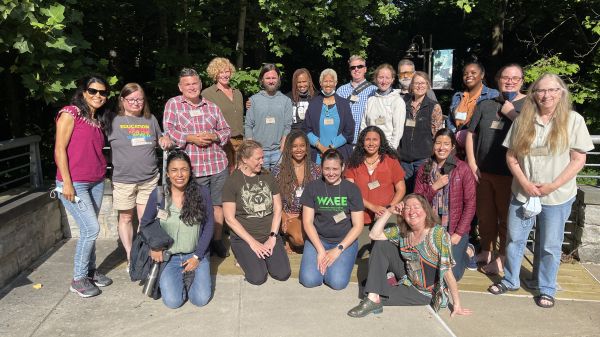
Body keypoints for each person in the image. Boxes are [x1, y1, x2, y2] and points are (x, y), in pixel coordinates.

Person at [488, 73, 593, 309]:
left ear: (561, 93)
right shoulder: (523, 120)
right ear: (534, 94)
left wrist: (552, 185)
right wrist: (525, 183)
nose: (545, 95)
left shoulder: (573, 120)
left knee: (549, 245)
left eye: (551, 90)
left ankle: (546, 287)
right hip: (523, 192)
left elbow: (578, 159)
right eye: (540, 91)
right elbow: (511, 156)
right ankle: (510, 279)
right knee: (515, 239)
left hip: (556, 195)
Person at [347, 194, 472, 317]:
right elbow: (374, 235)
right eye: (407, 208)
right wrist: (389, 212)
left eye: (416, 207)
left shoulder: (438, 234)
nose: (412, 211)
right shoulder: (403, 230)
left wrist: (457, 304)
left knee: (370, 290)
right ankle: (373, 298)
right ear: (402, 213)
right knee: (381, 245)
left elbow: (447, 271)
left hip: (423, 291)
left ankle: (375, 294)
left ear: (426, 211)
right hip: (408, 274)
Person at [163, 68, 231, 258]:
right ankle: (200, 243)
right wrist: (190, 138)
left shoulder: (211, 106)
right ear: (180, 87)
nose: (192, 87)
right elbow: (168, 131)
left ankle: (216, 240)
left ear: (200, 85)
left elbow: (226, 130)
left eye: (195, 83)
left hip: (217, 165)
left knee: (218, 206)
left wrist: (215, 135)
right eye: (187, 84)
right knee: (196, 206)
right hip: (192, 168)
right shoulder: (173, 105)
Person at [54, 76, 113, 297]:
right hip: (74, 182)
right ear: (84, 92)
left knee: (91, 228)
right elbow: (60, 149)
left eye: (103, 92)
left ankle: (90, 271)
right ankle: (78, 279)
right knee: (91, 229)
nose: (98, 96)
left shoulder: (98, 118)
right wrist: (66, 183)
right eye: (93, 91)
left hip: (96, 181)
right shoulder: (70, 113)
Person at [465, 64, 527, 274]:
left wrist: (511, 114)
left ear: (522, 81)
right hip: (483, 172)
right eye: (505, 77)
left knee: (506, 218)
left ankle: (502, 256)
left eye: (515, 78)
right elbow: (471, 135)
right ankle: (486, 250)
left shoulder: (529, 105)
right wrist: (472, 163)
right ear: (498, 80)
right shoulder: (485, 104)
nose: (509, 81)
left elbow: (532, 133)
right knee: (485, 215)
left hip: (510, 174)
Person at [106, 83, 171, 271]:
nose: (136, 103)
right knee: (126, 218)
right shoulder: (112, 121)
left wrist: (164, 139)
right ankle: (130, 255)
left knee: (146, 220)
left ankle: (144, 252)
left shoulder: (150, 119)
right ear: (122, 100)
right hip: (123, 179)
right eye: (131, 99)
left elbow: (160, 138)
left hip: (148, 179)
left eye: (139, 99)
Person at [142, 150, 213, 309]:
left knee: (200, 300)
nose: (179, 174)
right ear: (167, 173)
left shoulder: (202, 193)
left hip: (195, 254)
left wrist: (197, 256)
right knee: (173, 302)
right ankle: (181, 278)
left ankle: (190, 276)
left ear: (190, 171)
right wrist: (154, 246)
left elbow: (209, 226)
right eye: (174, 170)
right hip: (169, 256)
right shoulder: (159, 195)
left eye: (184, 169)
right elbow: (145, 223)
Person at [222, 140, 291, 285]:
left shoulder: (267, 176)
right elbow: (229, 218)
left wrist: (272, 236)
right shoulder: (232, 181)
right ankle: (242, 254)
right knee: (258, 277)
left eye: (263, 157)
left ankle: (261, 255)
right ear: (245, 160)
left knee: (282, 274)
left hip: (269, 234)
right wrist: (253, 243)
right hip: (245, 239)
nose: (262, 161)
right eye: (258, 158)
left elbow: (278, 207)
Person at [414, 129, 477, 281]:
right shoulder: (424, 168)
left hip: (454, 229)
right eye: (438, 143)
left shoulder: (463, 169)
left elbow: (470, 205)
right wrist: (434, 187)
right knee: (427, 271)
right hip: (431, 228)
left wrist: (458, 234)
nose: (442, 148)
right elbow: (417, 201)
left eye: (446, 144)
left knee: (451, 276)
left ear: (453, 146)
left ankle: (467, 250)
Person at [299, 149, 364, 290]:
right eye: (327, 168)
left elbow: (358, 225)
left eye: (335, 168)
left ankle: (334, 265)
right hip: (319, 239)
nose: (331, 173)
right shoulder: (312, 187)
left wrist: (338, 249)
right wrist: (321, 250)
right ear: (321, 168)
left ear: (342, 167)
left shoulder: (352, 189)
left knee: (337, 283)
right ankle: (323, 264)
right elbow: (307, 222)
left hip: (344, 241)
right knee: (309, 280)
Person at [346, 126, 406, 227]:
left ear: (380, 142)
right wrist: (373, 207)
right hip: (360, 218)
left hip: (387, 216)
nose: (371, 143)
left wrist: (388, 208)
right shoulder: (353, 163)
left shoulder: (391, 161)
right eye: (367, 139)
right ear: (362, 142)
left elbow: (401, 189)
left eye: (375, 140)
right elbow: (349, 192)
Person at [271, 130, 321, 248]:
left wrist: (305, 215)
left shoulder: (316, 170)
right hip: (285, 215)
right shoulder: (278, 171)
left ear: (307, 147)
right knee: (299, 240)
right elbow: (272, 198)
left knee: (303, 240)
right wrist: (283, 216)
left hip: (307, 215)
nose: (299, 149)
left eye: (302, 146)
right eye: (294, 146)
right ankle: (286, 235)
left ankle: (290, 236)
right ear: (289, 148)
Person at [397, 71, 444, 193]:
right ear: (412, 85)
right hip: (404, 159)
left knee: (421, 194)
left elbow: (437, 135)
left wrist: (435, 159)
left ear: (428, 85)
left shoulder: (434, 107)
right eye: (417, 83)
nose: (419, 86)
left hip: (423, 159)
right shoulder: (403, 104)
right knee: (405, 194)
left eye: (423, 83)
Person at [244, 63, 293, 170]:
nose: (271, 81)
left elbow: (287, 126)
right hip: (259, 153)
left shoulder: (286, 101)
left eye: (274, 78)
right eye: (268, 78)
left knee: (279, 185)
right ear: (262, 79)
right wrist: (252, 149)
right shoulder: (253, 100)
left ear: (279, 79)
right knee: (261, 184)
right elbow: (248, 125)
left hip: (278, 152)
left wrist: (283, 147)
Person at [202, 57, 244, 173]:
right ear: (215, 74)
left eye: (227, 71)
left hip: (241, 141)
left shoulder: (237, 93)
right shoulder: (207, 94)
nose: (225, 75)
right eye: (221, 72)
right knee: (227, 177)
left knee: (241, 176)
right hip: (223, 142)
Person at [304, 68, 355, 164]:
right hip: (318, 154)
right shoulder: (313, 104)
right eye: (325, 81)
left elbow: (349, 130)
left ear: (335, 83)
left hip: (339, 152)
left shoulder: (344, 104)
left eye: (331, 81)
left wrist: (332, 147)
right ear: (321, 83)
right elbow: (306, 129)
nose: (328, 84)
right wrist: (322, 148)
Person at [360, 63, 406, 149]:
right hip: (370, 148)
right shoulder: (370, 100)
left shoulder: (397, 101)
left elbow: (398, 131)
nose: (384, 81)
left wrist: (390, 150)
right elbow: (363, 126)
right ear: (376, 79)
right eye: (381, 77)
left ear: (392, 79)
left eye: (387, 78)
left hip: (387, 149)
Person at [447, 62, 499, 134]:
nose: (469, 75)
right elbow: (450, 120)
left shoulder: (492, 94)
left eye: (473, 73)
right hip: (456, 140)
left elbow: (494, 122)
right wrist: (453, 136)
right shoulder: (457, 96)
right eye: (465, 74)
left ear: (482, 75)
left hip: (477, 140)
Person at [336, 55, 377, 144]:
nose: (356, 69)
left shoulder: (374, 90)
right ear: (349, 70)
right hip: (344, 142)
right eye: (353, 67)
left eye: (360, 66)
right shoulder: (341, 90)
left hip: (365, 142)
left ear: (365, 69)